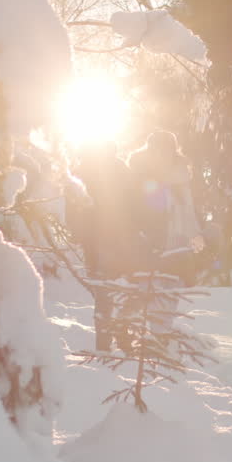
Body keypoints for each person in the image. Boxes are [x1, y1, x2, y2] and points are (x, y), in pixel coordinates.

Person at [73, 140, 143, 351]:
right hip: (108, 241)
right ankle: (114, 340)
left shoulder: (85, 171)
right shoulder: (86, 171)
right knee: (116, 292)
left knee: (112, 292)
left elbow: (134, 203)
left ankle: (113, 339)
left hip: (112, 240)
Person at [126, 130, 204, 281]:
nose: (162, 154)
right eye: (157, 150)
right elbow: (135, 209)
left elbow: (190, 211)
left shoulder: (182, 175)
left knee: (180, 289)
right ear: (150, 150)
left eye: (167, 149)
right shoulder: (140, 176)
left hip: (181, 241)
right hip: (150, 242)